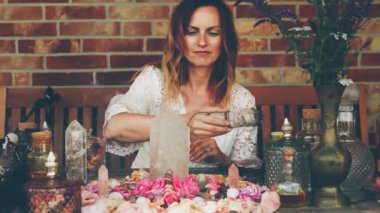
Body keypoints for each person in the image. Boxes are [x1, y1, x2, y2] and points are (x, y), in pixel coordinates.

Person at [104, 0, 261, 169]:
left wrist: (221, 159)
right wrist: (184, 123)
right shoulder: (155, 80)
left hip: (211, 194)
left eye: (213, 33)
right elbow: (113, 128)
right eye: (192, 32)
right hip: (151, 190)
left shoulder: (242, 100)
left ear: (224, 39)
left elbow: (248, 177)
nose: (202, 42)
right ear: (179, 38)